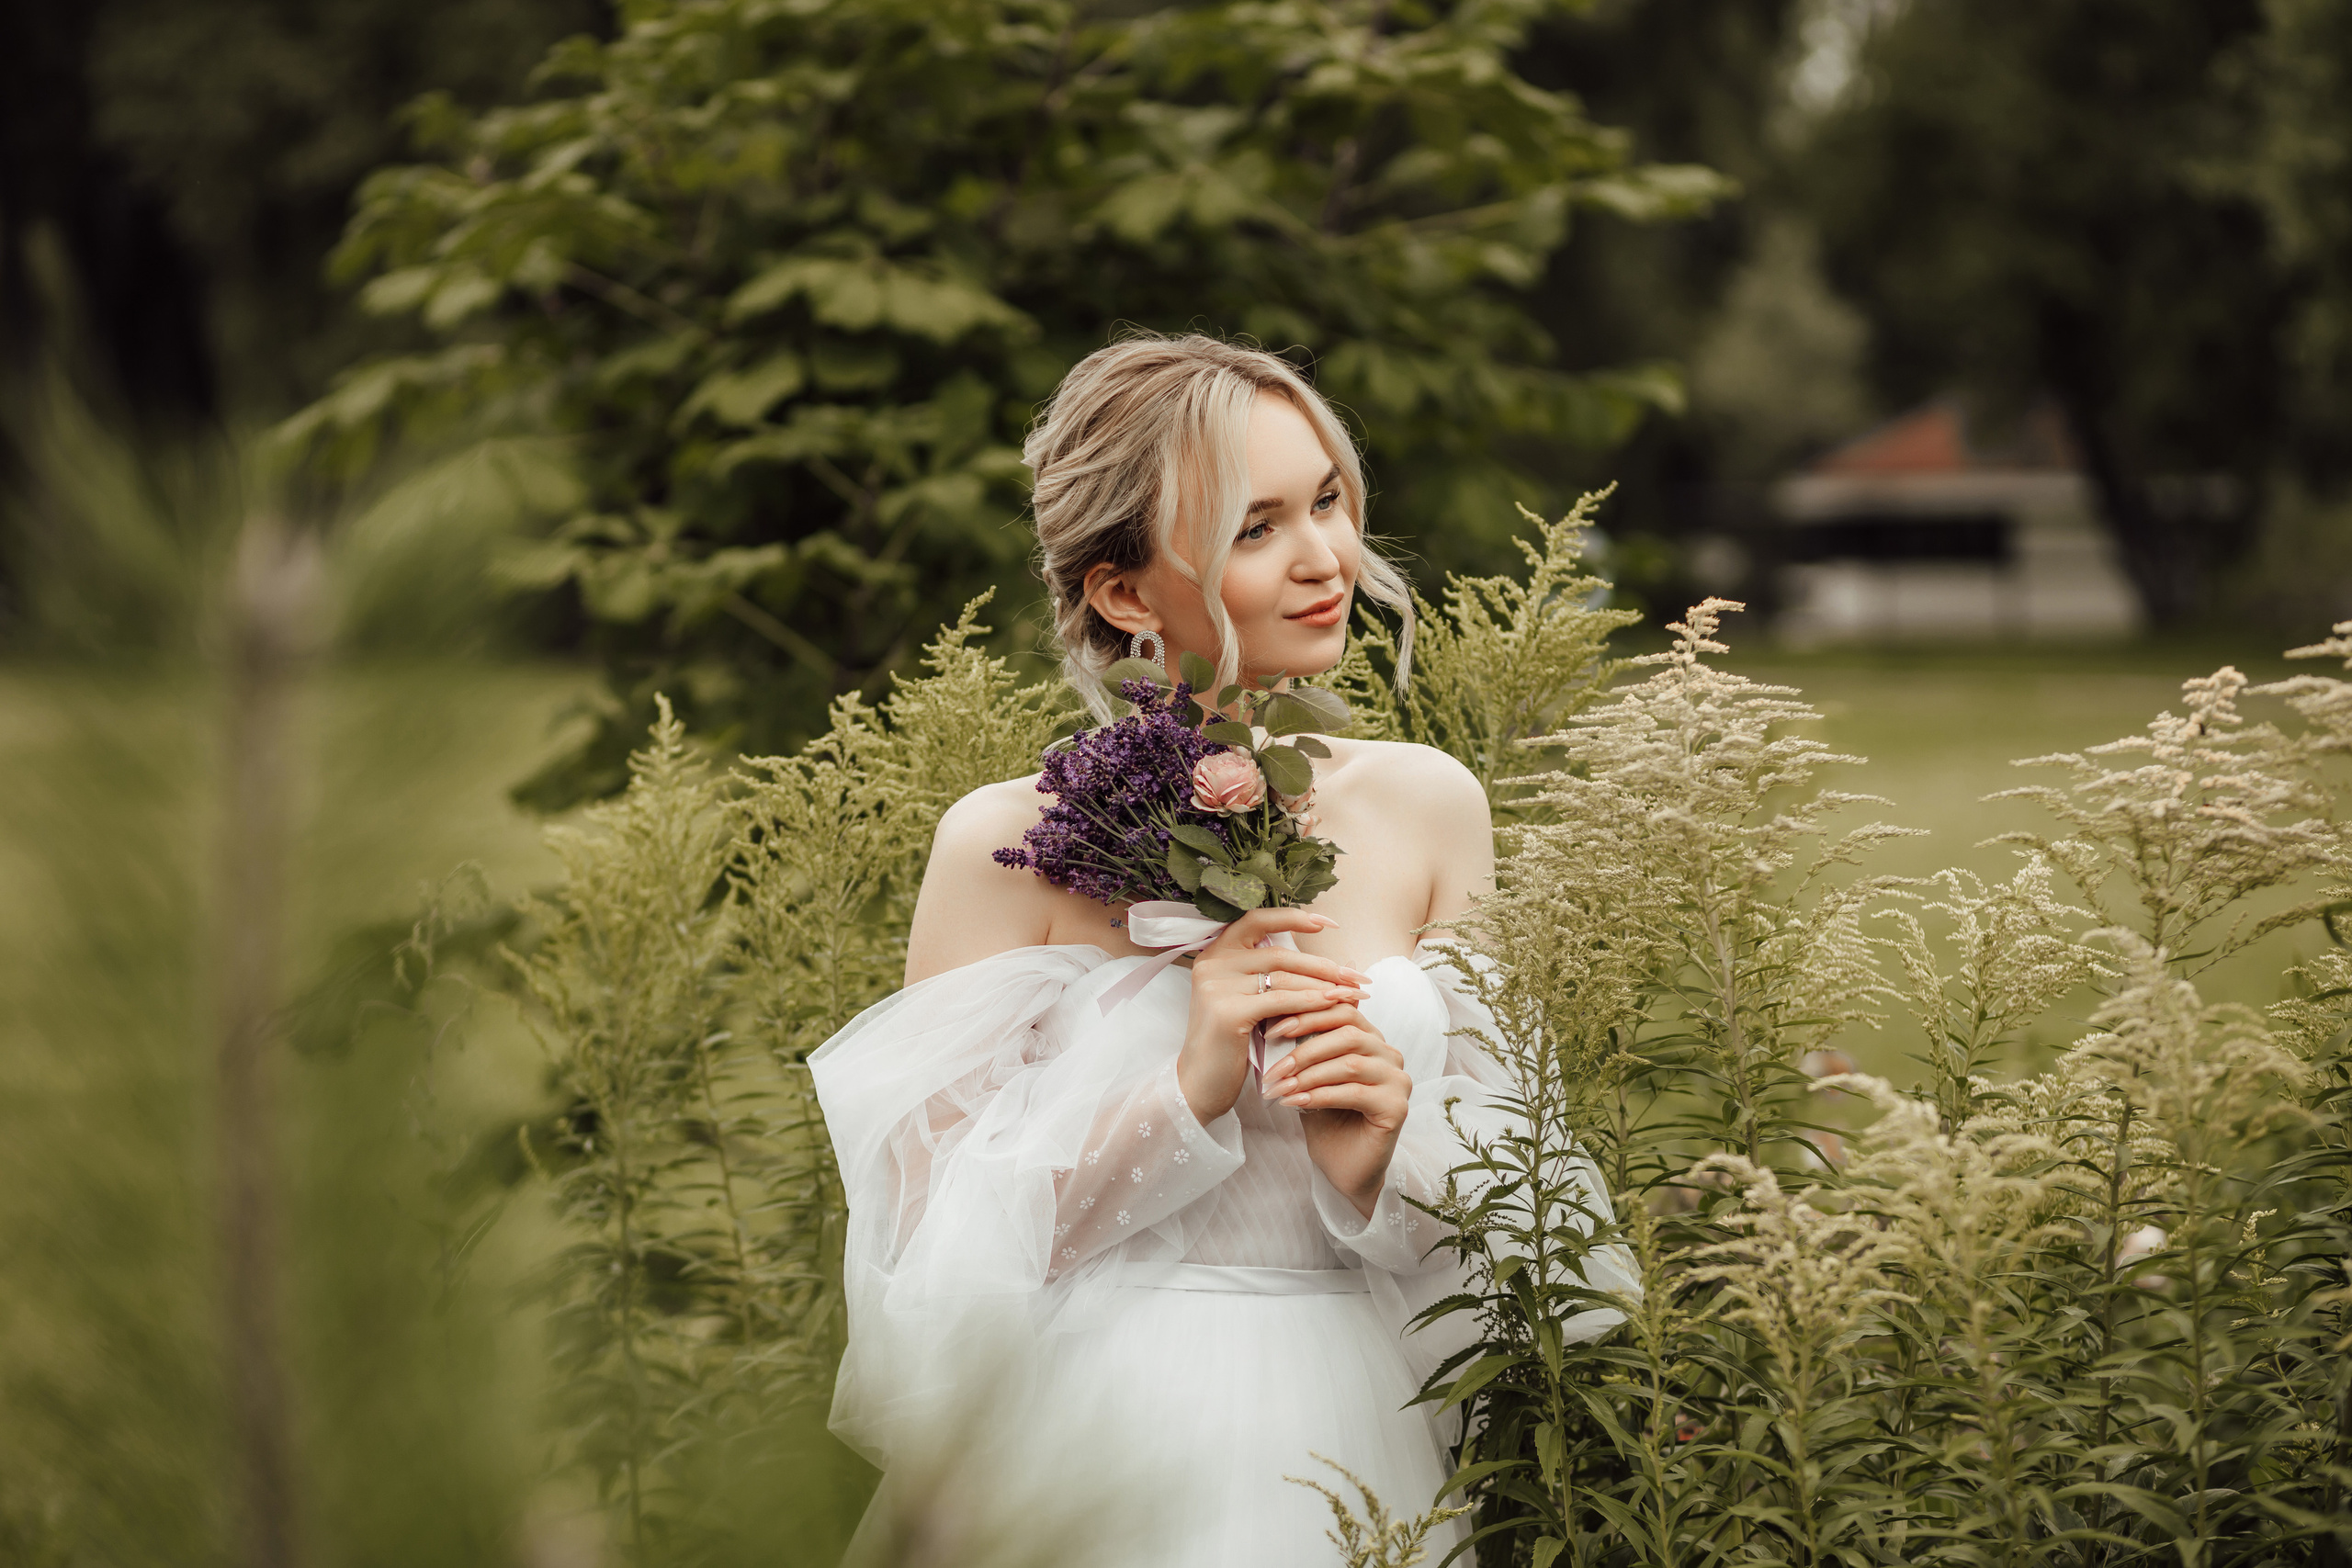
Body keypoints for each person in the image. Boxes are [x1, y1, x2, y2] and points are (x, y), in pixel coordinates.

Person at [809, 334, 1623, 1565]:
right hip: (1084, 1450)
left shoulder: (1430, 809)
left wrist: (1383, 1166)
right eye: (1257, 530)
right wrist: (1180, 1092)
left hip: (1352, 1444)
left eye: (1329, 503)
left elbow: (1532, 1222)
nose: (1324, 560)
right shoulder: (1002, 846)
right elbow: (929, 1270)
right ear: (1123, 592)